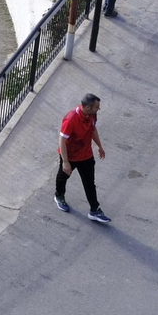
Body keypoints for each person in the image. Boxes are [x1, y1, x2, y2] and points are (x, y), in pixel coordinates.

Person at [54, 94, 110, 224]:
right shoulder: (71, 119)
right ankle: (59, 196)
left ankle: (95, 210)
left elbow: (92, 128)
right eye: (96, 107)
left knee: (89, 182)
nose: (98, 110)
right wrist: (66, 162)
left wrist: (100, 146)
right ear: (87, 107)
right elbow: (62, 140)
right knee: (63, 176)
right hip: (70, 155)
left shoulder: (92, 115)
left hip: (86, 155)